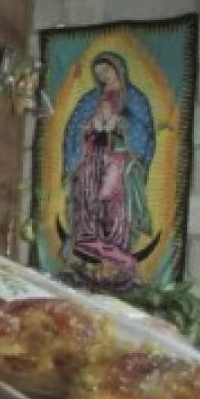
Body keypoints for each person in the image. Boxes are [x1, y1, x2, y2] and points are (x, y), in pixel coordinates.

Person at [60, 50, 154, 288]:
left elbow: (144, 133)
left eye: (108, 70)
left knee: (112, 206)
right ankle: (92, 259)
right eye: (100, 72)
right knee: (87, 203)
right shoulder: (90, 99)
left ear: (119, 70)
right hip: (91, 160)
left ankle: (118, 263)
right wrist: (87, 129)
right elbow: (73, 129)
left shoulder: (135, 99)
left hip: (118, 161)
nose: (104, 75)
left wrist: (120, 123)